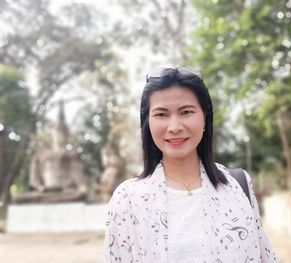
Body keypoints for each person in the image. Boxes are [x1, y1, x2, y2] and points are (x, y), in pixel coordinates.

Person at [104, 67, 279, 262]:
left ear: (205, 117)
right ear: (148, 123)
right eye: (161, 114)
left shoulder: (237, 185)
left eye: (186, 112)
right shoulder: (127, 199)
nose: (175, 127)